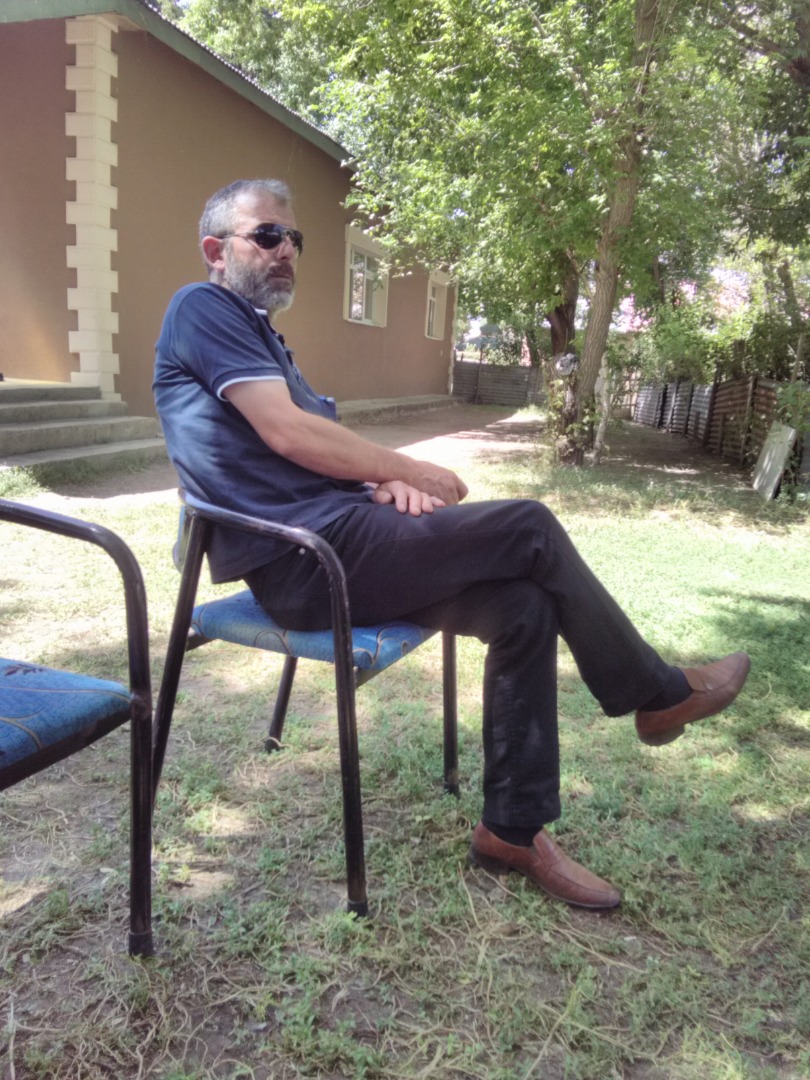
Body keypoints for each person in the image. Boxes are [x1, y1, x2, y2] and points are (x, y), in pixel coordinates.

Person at [154, 179, 750, 910]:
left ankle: (512, 830)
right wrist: (406, 469)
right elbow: (288, 432)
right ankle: (657, 695)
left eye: (294, 239)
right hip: (307, 563)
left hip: (346, 536)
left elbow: (299, 450)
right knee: (528, 525)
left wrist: (379, 484)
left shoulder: (262, 337)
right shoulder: (202, 307)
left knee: (524, 605)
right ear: (216, 251)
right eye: (267, 235)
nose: (286, 251)